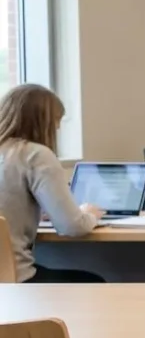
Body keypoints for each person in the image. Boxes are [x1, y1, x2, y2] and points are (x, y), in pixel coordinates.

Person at [0, 84, 105, 283]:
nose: (58, 127)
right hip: (13, 281)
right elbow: (72, 226)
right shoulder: (35, 154)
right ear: (44, 121)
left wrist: (38, 212)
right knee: (94, 283)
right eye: (57, 120)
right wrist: (89, 214)